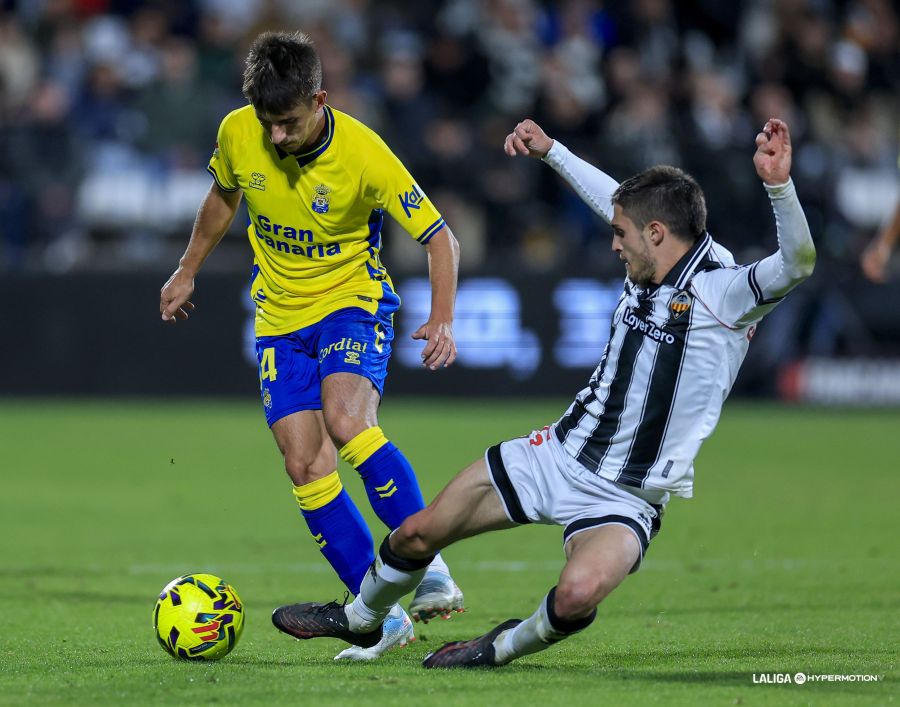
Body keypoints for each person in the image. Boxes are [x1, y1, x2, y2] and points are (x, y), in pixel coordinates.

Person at [269, 116, 816, 668]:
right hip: (554, 456)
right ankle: (362, 620)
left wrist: (778, 186)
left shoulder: (725, 293)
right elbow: (616, 200)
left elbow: (797, 262)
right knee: (417, 534)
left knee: (576, 597)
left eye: (621, 234)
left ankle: (498, 648)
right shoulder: (652, 256)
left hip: (629, 498)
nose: (613, 242)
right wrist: (553, 151)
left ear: (656, 234)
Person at [158, 31, 464, 661]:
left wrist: (442, 318)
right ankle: (381, 619)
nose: (276, 136)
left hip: (351, 302)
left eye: (288, 123)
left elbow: (439, 237)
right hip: (277, 318)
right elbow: (223, 196)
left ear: (320, 99)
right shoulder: (239, 131)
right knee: (304, 465)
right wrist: (187, 268)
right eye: (267, 123)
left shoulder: (364, 153)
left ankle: (428, 562)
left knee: (347, 420)